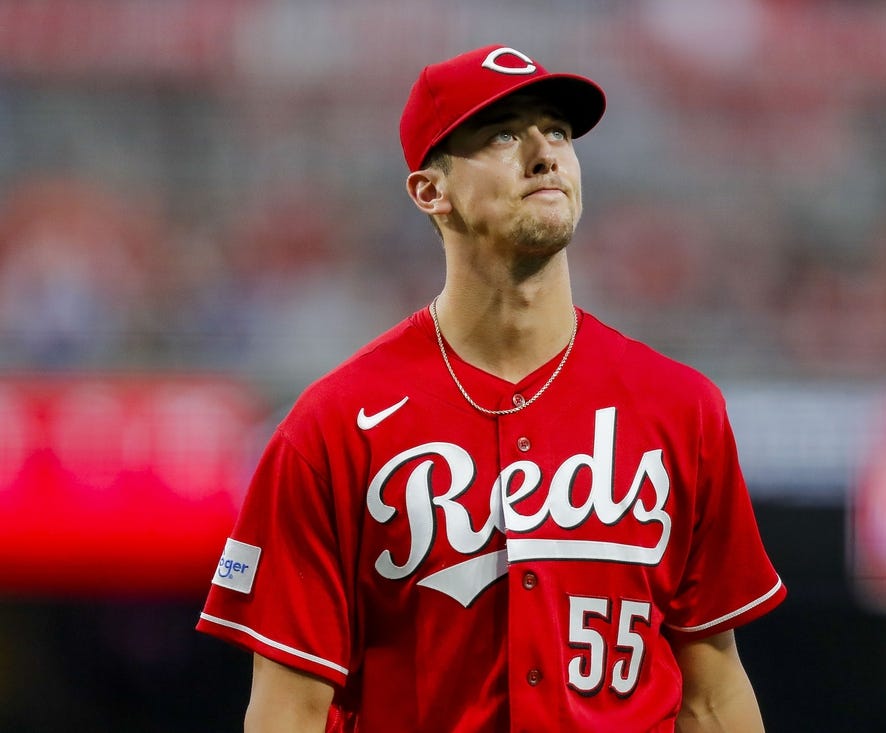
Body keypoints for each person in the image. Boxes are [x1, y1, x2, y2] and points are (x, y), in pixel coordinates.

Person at [197, 45, 786, 732]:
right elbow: (289, 712)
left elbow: (711, 696)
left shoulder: (680, 408)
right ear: (430, 190)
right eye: (504, 133)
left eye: (558, 132)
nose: (544, 153)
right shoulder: (334, 425)